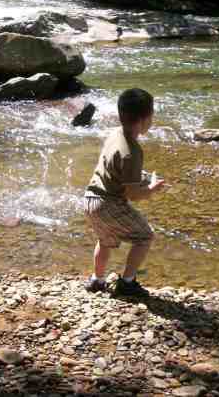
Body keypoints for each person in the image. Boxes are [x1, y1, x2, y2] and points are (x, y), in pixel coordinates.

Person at [83, 88, 165, 296]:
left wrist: (141, 178)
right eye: (152, 115)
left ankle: (97, 280)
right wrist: (152, 188)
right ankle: (127, 282)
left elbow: (116, 170)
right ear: (143, 120)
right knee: (145, 236)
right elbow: (133, 195)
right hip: (109, 204)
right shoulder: (133, 151)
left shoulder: (114, 134)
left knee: (105, 240)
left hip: (91, 199)